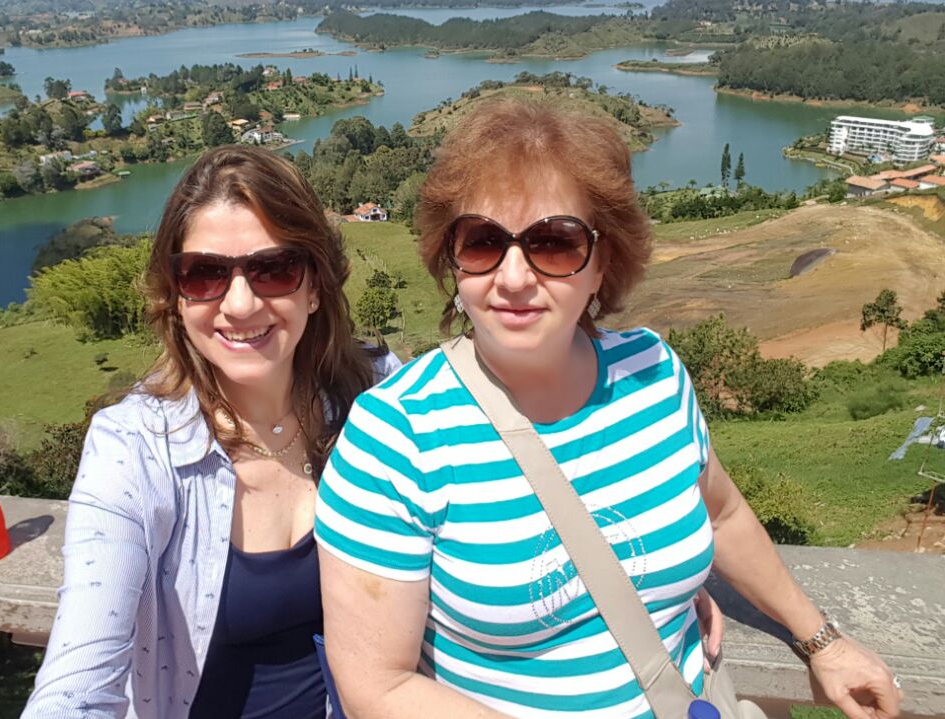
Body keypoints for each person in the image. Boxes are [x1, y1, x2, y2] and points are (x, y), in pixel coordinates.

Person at [315, 100, 901, 719]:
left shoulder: (653, 372)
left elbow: (722, 515)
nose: (513, 277)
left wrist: (822, 642)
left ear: (603, 263)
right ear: (451, 259)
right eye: (483, 242)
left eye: (554, 243)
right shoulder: (396, 436)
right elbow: (376, 686)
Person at [23, 144, 399, 719]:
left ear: (316, 286)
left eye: (274, 269)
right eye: (205, 274)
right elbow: (78, 679)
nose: (240, 304)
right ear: (175, 297)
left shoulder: (378, 393)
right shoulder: (134, 449)